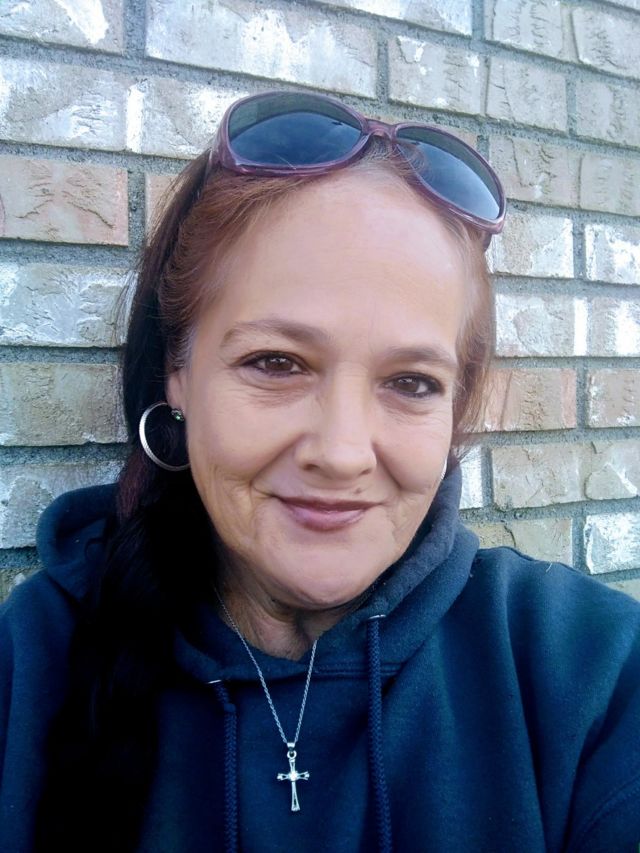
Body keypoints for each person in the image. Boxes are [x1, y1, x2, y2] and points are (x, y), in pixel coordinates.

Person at [1, 89, 639, 853]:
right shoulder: (34, 660)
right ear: (178, 370)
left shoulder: (592, 673)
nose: (341, 452)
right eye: (277, 363)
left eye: (411, 382)